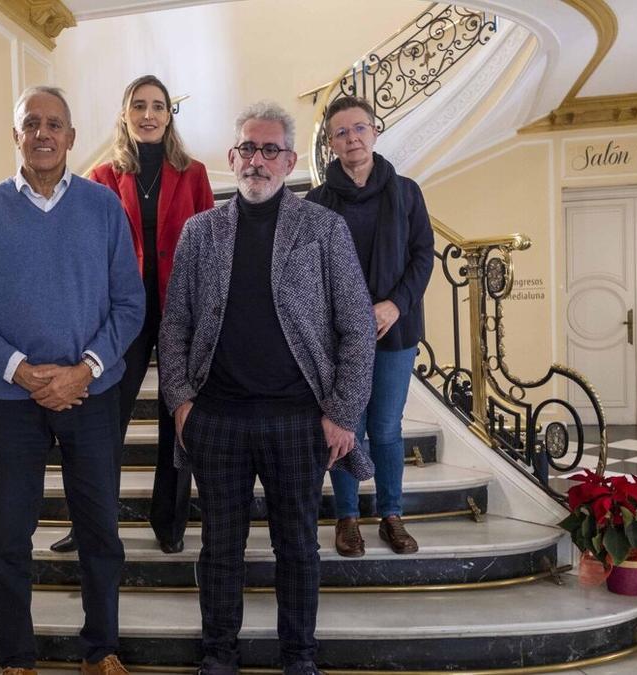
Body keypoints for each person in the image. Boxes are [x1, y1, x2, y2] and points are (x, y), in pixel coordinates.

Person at [158, 102, 375, 675]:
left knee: (298, 549)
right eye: (248, 149)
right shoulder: (200, 231)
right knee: (220, 549)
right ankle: (218, 654)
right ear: (231, 157)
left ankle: (300, 657)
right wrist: (181, 403)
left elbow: (356, 325)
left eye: (270, 149)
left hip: (298, 419)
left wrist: (343, 414)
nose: (257, 160)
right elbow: (174, 323)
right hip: (218, 420)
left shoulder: (323, 228)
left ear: (291, 160)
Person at [0, 86, 145, 675]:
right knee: (10, 536)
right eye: (30, 123)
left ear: (71, 137)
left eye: (54, 124)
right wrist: (22, 371)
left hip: (90, 395)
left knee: (100, 532)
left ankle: (101, 649)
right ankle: (17, 657)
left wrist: (84, 369)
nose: (42, 133)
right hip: (13, 402)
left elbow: (129, 305)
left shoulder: (102, 206)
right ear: (16, 135)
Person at [50, 75, 214, 555]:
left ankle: (170, 524)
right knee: (104, 423)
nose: (148, 114)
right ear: (124, 114)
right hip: (122, 314)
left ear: (169, 114)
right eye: (138, 105)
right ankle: (89, 525)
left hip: (181, 309)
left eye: (158, 106)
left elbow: (210, 246)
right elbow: (87, 250)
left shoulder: (196, 173)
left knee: (177, 419)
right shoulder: (101, 177)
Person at [305, 96, 435, 558]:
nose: (352, 139)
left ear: (375, 132)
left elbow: (423, 256)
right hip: (338, 339)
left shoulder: (406, 191)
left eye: (359, 128)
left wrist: (395, 306)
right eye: (341, 132)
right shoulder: (317, 202)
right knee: (344, 427)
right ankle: (346, 518)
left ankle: (391, 514)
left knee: (385, 429)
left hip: (394, 332)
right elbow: (307, 271)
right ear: (330, 143)